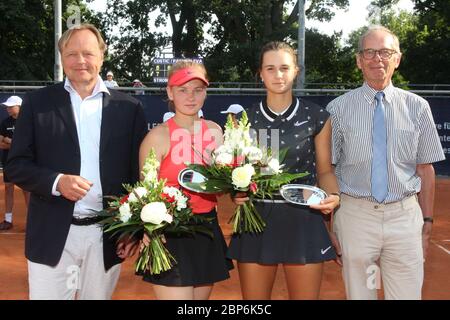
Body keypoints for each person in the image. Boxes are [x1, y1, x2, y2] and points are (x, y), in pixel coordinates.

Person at [6, 24, 148, 300]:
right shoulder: (37, 103)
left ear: (102, 57)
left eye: (88, 53)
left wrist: (133, 229)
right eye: (71, 54)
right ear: (61, 58)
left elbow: (138, 175)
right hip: (51, 235)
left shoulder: (129, 108)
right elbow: (16, 166)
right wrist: (58, 182)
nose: (80, 61)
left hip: (106, 238)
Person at [326, 25, 445, 300]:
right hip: (356, 217)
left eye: (385, 52)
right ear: (359, 60)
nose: (377, 58)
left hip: (404, 218)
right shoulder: (338, 109)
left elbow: (425, 169)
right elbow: (328, 170)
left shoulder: (418, 107)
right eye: (369, 52)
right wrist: (329, 226)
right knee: (361, 296)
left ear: (397, 59)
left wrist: (426, 222)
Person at [227, 41, 341, 300]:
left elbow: (325, 171)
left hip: (303, 220)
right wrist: (235, 192)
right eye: (270, 68)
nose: (278, 75)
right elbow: (234, 175)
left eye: (284, 68)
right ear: (260, 73)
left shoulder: (317, 117)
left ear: (296, 71)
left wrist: (334, 196)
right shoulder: (242, 119)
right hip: (255, 220)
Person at [139, 60, 232, 300]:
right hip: (169, 234)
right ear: (170, 92)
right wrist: (149, 230)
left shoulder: (215, 131)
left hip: (207, 231)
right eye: (182, 89)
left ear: (206, 92)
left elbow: (221, 184)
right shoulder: (156, 137)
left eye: (197, 89)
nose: (190, 97)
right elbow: (144, 194)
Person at [0, 96, 30, 230]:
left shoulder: (28, 122)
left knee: (27, 190)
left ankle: (32, 220)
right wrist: (14, 143)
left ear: (19, 106)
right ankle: (7, 220)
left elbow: (28, 145)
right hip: (8, 162)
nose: (8, 109)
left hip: (25, 162)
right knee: (8, 188)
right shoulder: (4, 123)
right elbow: (0, 144)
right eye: (7, 107)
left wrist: (9, 140)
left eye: (10, 106)